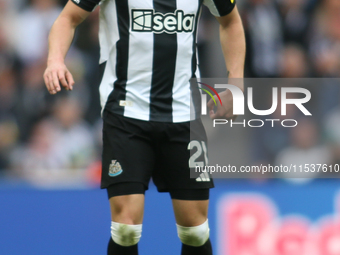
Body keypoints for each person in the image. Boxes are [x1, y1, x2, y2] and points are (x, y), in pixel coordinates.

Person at [43, 0, 245, 254]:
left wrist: (235, 83)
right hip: (126, 114)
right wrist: (55, 60)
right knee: (126, 228)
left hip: (184, 115)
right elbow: (67, 18)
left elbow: (231, 21)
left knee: (195, 231)